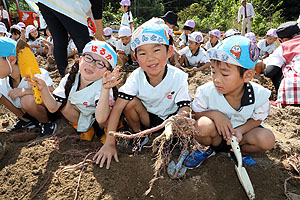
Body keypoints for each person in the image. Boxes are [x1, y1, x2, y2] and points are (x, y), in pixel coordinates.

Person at [93, 23, 192, 169]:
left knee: (184, 121)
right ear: (136, 57)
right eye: (143, 53)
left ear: (169, 51)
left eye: (156, 50)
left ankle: (173, 144)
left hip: (171, 121)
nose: (150, 58)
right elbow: (118, 108)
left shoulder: (179, 77)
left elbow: (184, 107)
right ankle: (139, 135)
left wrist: (178, 119)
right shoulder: (136, 77)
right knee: (129, 102)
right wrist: (109, 142)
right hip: (147, 118)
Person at [184, 35, 275, 169]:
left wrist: (240, 130)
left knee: (267, 139)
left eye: (225, 74)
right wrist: (215, 115)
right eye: (213, 71)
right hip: (215, 136)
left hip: (241, 138)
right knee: (202, 125)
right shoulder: (206, 92)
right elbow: (196, 113)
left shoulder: (259, 95)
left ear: (247, 75)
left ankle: (239, 153)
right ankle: (206, 149)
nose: (217, 79)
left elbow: (257, 119)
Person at [28, 40, 121, 141]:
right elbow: (53, 107)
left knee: (107, 116)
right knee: (64, 105)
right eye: (88, 58)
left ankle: (107, 133)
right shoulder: (70, 78)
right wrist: (43, 89)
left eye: (100, 63)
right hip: (82, 114)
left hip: (101, 118)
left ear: (107, 72)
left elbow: (101, 118)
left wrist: (105, 89)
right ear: (80, 59)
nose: (92, 65)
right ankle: (86, 130)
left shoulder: (104, 85)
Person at [0, 37, 56, 136]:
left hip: (48, 111)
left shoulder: (35, 73)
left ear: (12, 60)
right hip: (28, 112)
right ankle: (26, 120)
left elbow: (53, 93)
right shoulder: (3, 81)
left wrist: (26, 91)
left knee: (26, 100)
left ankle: (46, 124)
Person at [36, 0, 104, 77]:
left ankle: (64, 75)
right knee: (83, 43)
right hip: (69, 4)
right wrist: (99, 28)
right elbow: (96, 3)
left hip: (45, 2)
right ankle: (88, 77)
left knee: (59, 40)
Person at [256, 21, 300, 108]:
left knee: (281, 67)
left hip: (294, 95)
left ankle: (282, 100)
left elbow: (270, 72)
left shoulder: (284, 46)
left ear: (283, 40)